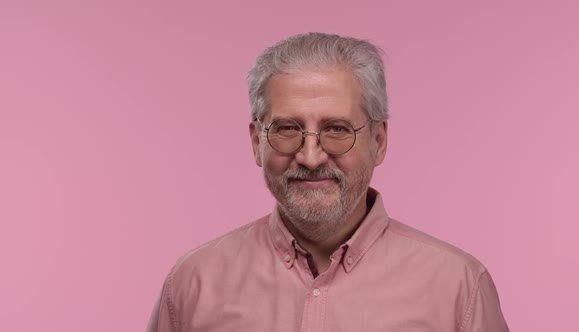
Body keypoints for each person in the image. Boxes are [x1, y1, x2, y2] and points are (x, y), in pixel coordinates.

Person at [147, 32, 509, 331]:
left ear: (378, 141)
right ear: (256, 141)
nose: (310, 156)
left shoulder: (458, 287)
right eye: (287, 129)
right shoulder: (193, 284)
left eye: (336, 129)